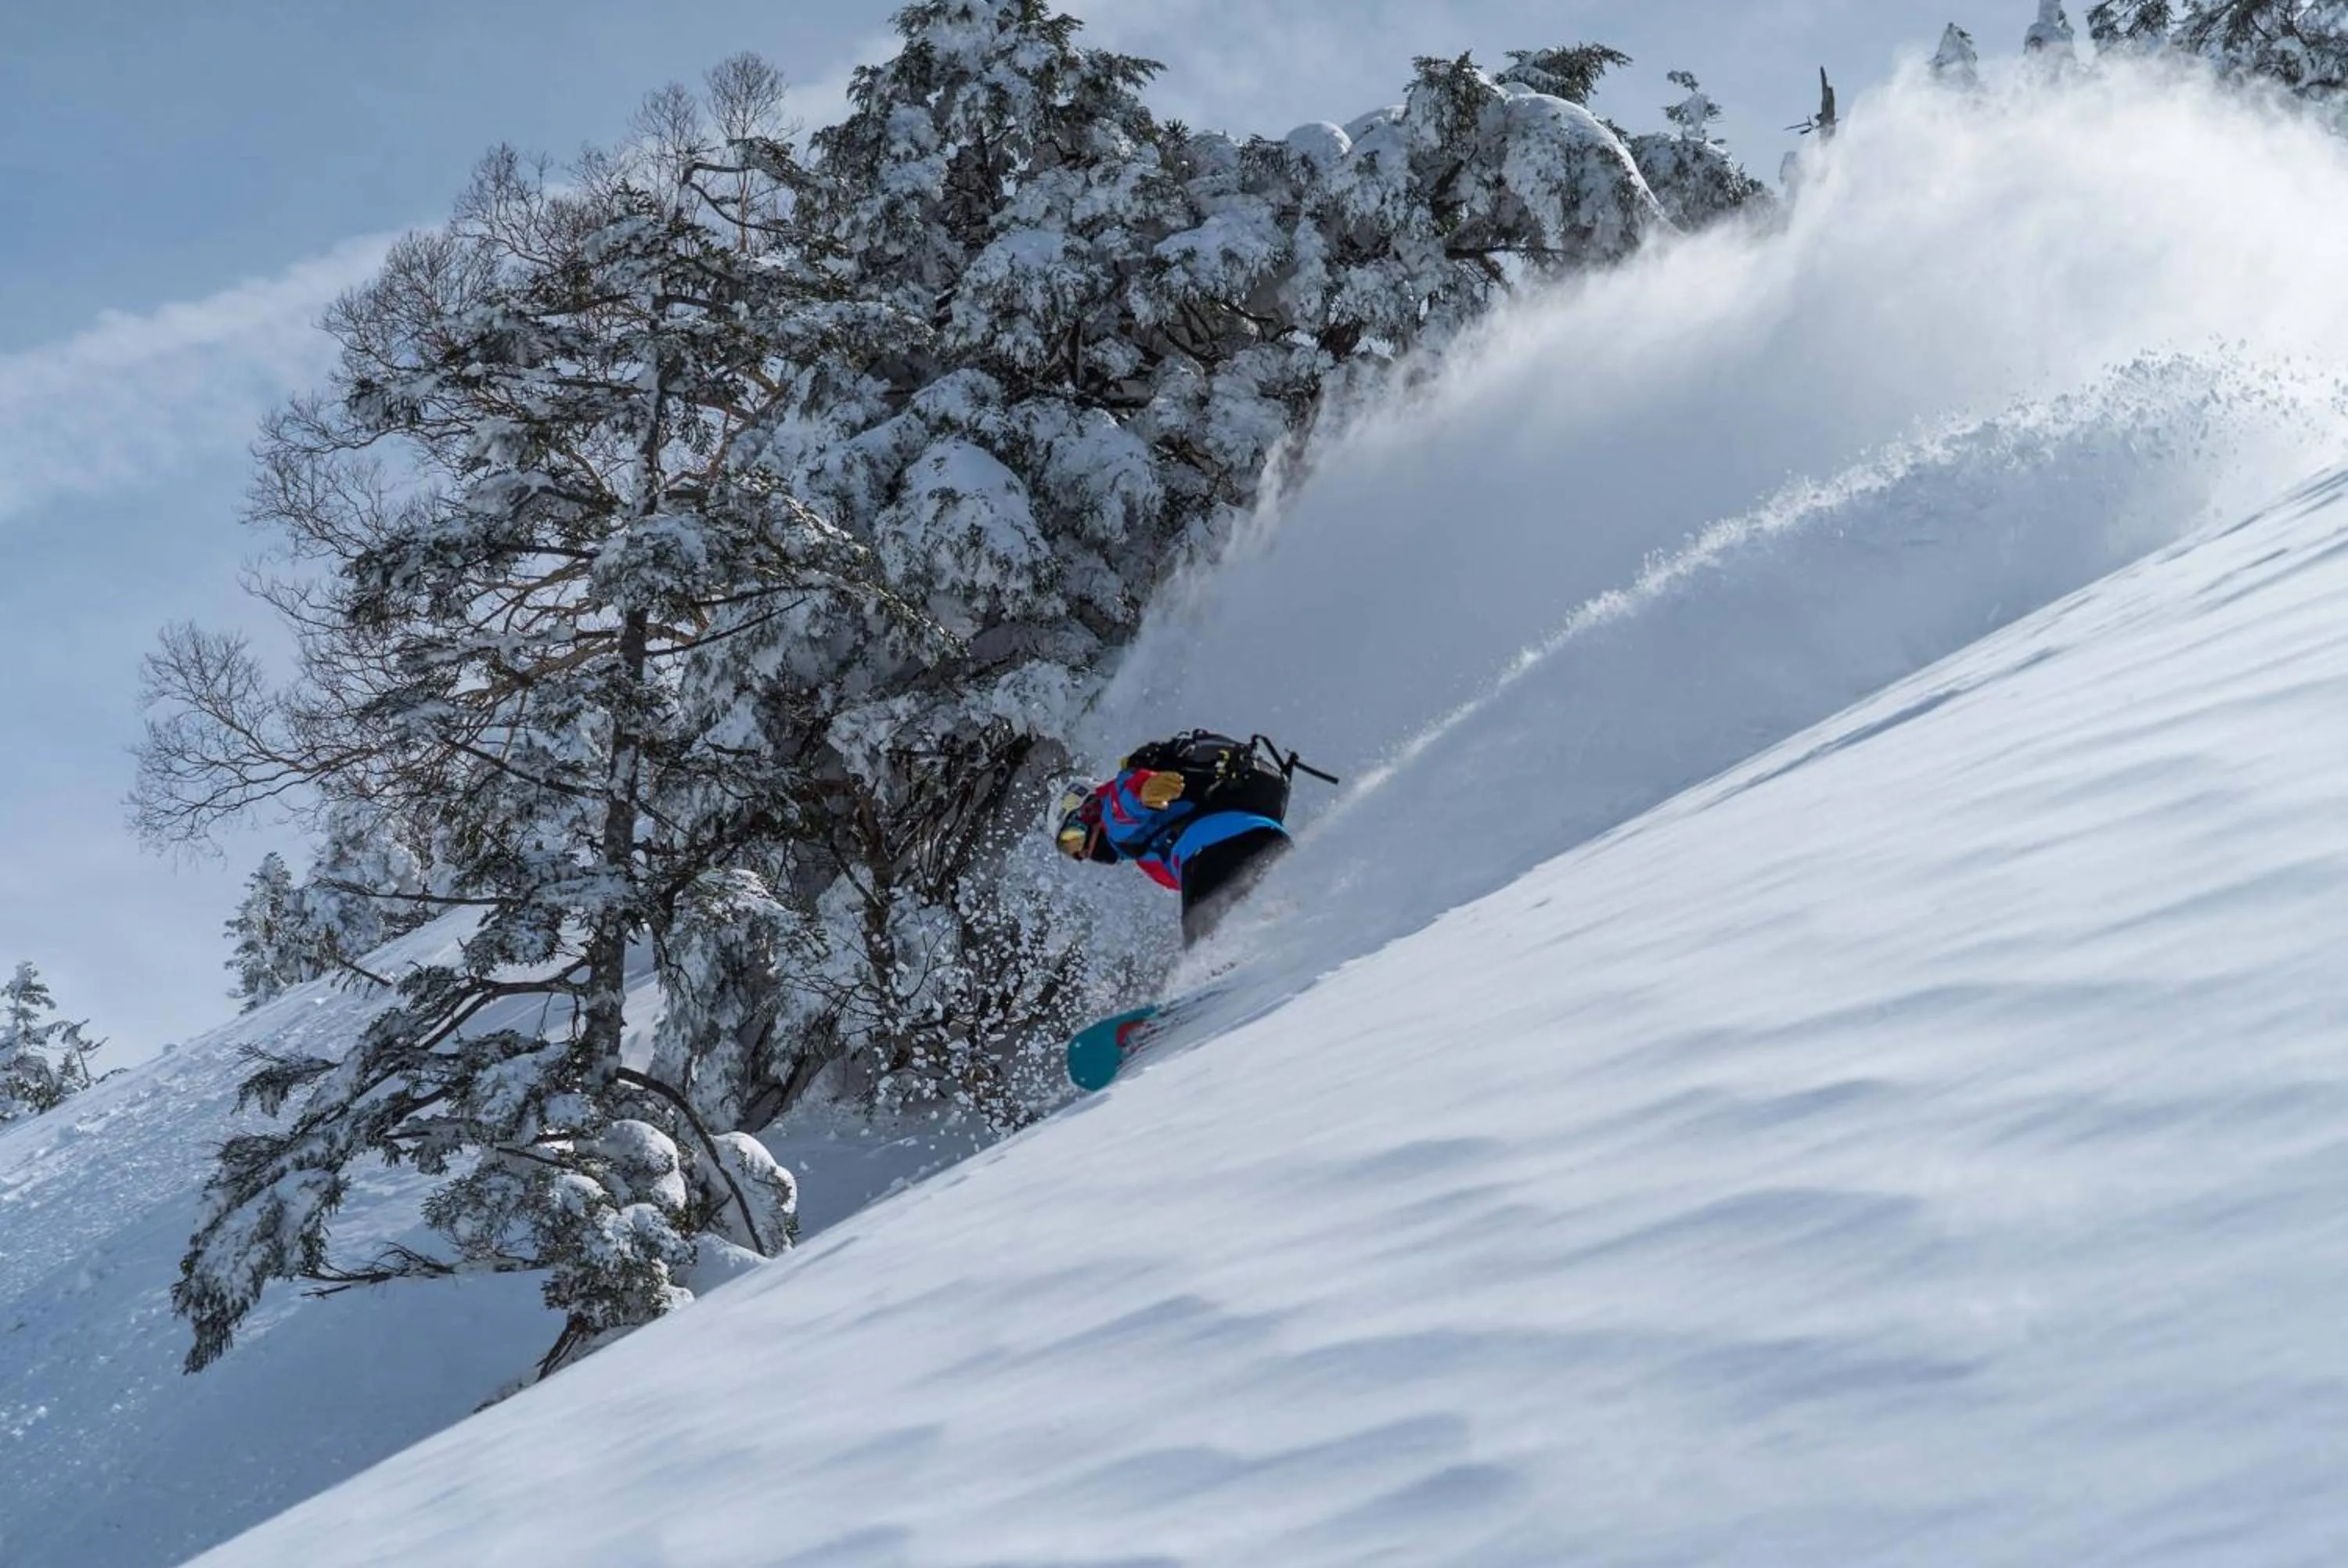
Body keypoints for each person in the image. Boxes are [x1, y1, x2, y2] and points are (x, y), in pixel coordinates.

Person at [1054, 731, 1332, 945]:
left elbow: (1126, 798)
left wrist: (1144, 791)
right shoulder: (1143, 851)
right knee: (1281, 924)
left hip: (1215, 851)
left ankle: (1217, 996)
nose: (1081, 854)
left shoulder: (1114, 811)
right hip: (1269, 840)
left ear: (1088, 810)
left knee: (1207, 945)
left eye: (1073, 837)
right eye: (1069, 849)